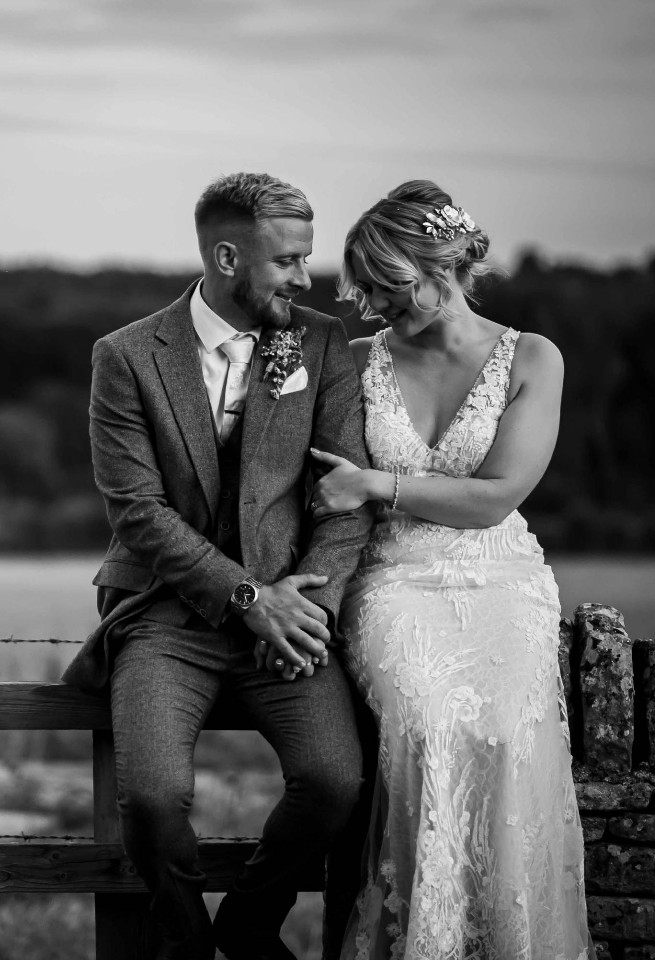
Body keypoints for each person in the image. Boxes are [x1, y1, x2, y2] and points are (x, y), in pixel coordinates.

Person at [62, 172, 375, 960]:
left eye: (307, 260)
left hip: (291, 614)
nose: (308, 279)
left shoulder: (321, 341)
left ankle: (248, 924)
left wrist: (311, 606)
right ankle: (186, 940)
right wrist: (245, 597)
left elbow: (346, 500)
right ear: (229, 257)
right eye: (289, 263)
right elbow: (138, 511)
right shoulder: (127, 356)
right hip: (167, 615)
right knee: (152, 798)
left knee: (336, 783)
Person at [309, 180, 595, 959]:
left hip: (501, 578)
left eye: (385, 284)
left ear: (437, 264)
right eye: (362, 288)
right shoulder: (356, 358)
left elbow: (497, 496)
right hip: (395, 580)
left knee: (506, 736)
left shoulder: (532, 357)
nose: (371, 303)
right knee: (427, 720)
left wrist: (375, 483)